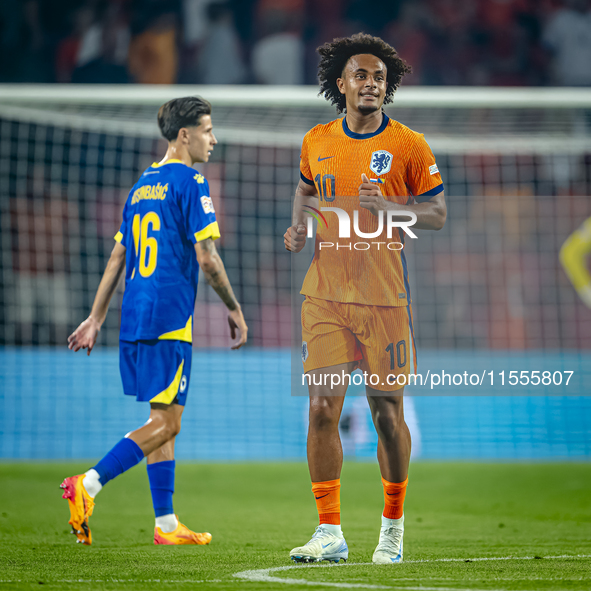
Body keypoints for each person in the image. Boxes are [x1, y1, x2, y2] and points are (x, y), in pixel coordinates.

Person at [284, 33, 446, 564]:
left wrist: (394, 207)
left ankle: (392, 530)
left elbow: (438, 214)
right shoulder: (317, 139)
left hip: (383, 300)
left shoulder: (409, 145)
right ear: (341, 83)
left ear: (387, 87)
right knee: (322, 409)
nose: (371, 83)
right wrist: (299, 227)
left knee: (385, 415)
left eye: (379, 77)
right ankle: (329, 532)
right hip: (325, 296)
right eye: (361, 75)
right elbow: (306, 188)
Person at [62, 96, 247, 546]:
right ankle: (86, 485)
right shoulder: (191, 182)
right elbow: (208, 258)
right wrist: (234, 307)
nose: (213, 139)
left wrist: (96, 316)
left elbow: (118, 256)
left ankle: (166, 525)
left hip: (135, 315)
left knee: (162, 416)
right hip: (168, 318)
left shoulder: (142, 185)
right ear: (185, 135)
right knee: (169, 424)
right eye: (207, 129)